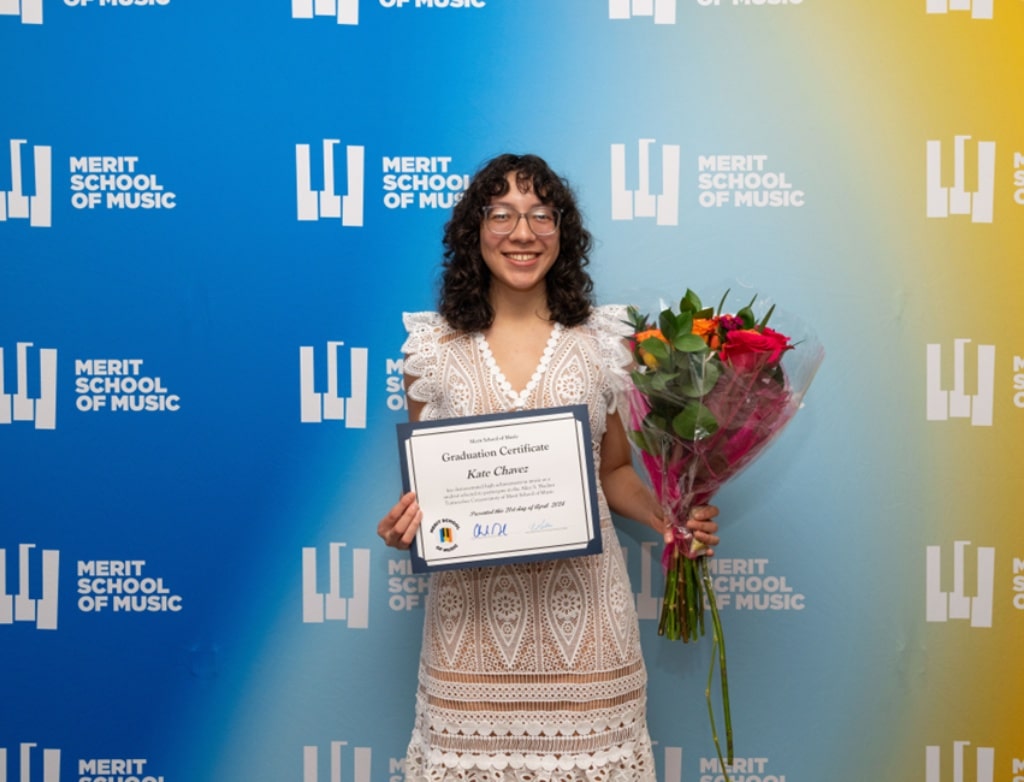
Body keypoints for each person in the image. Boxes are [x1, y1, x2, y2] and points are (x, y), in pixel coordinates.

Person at [377, 153, 720, 782]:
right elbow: (434, 491)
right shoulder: (429, 348)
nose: (523, 232)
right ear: (473, 231)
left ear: (563, 231)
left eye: (541, 214)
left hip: (587, 637)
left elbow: (612, 470)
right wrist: (408, 525)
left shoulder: (605, 341)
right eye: (502, 214)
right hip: (470, 643)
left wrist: (667, 517)